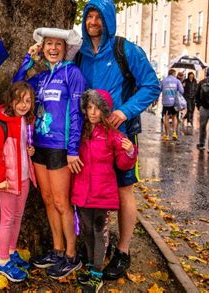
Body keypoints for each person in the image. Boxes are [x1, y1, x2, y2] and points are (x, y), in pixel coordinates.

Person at [76, 0, 160, 279]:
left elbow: (151, 85)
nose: (93, 22)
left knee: (125, 191)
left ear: (109, 19)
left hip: (121, 136)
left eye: (99, 17)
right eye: (89, 16)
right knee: (89, 189)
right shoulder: (79, 54)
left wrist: (124, 111)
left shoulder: (126, 50)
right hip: (88, 139)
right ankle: (95, 243)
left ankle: (123, 252)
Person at [13, 27, 86, 279]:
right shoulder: (41, 77)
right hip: (40, 147)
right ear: (42, 49)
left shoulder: (73, 73)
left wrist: (73, 149)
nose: (53, 48)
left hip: (61, 148)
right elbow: (17, 88)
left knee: (61, 202)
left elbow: (77, 113)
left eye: (58, 44)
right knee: (47, 199)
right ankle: (56, 250)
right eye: (48, 44)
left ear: (66, 49)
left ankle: (71, 255)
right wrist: (28, 60)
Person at [72, 89, 137, 289]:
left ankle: (97, 274)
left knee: (99, 233)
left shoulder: (112, 135)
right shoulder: (80, 132)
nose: (93, 113)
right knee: (87, 232)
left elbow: (123, 164)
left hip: (102, 195)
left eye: (97, 108)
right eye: (89, 107)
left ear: (105, 111)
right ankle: (92, 266)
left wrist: (130, 152)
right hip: (82, 194)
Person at [0, 81, 37, 282]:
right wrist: (0, 179)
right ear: (11, 100)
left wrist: (29, 150)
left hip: (23, 178)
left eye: (28, 101)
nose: (23, 105)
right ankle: (3, 261)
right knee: (7, 220)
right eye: (19, 100)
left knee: (17, 217)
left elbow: (20, 147)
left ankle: (12, 251)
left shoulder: (25, 120)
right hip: (7, 180)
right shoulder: (1, 122)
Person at [161, 69, 184, 141]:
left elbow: (160, 89)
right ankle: (174, 133)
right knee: (174, 117)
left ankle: (167, 135)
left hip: (166, 103)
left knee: (166, 118)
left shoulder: (163, 80)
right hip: (175, 102)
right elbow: (182, 91)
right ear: (174, 73)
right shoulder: (177, 81)